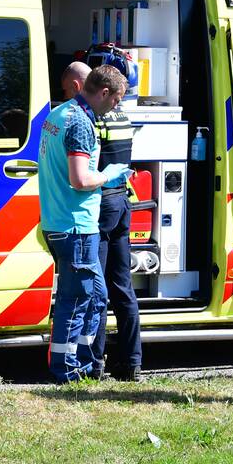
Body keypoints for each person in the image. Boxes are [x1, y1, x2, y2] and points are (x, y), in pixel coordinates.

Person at [38, 64, 131, 383]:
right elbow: (80, 179)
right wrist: (109, 175)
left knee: (95, 295)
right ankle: (66, 369)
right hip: (75, 225)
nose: (115, 107)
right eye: (116, 100)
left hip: (58, 220)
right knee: (76, 299)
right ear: (103, 93)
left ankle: (84, 361)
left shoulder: (59, 114)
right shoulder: (80, 123)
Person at [61, 60, 143, 381]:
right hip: (123, 201)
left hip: (102, 204)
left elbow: (84, 164)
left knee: (96, 290)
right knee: (123, 287)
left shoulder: (94, 117)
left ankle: (94, 363)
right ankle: (132, 362)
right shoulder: (122, 114)